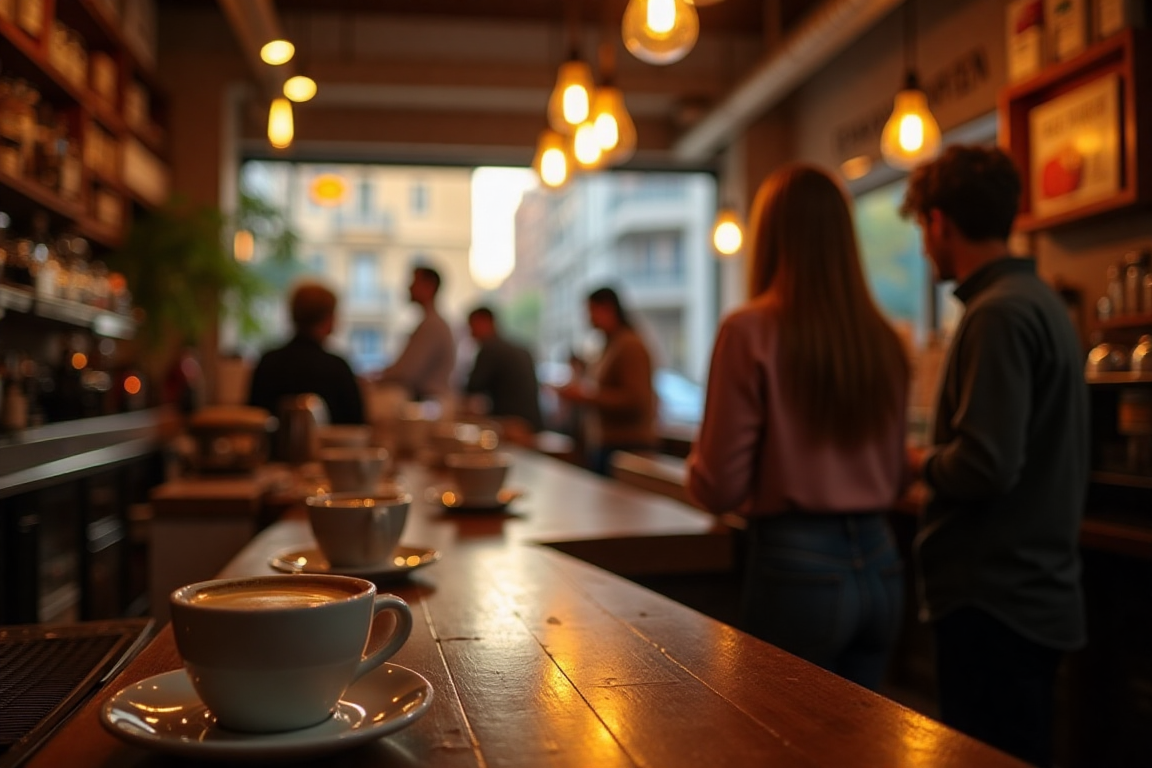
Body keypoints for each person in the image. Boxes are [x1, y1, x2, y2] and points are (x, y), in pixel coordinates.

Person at [685, 164, 909, 692]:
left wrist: (697, 465)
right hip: (883, 564)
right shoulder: (885, 339)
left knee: (783, 746)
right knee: (864, 746)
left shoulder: (749, 330)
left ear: (770, 237)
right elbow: (898, 474)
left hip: (797, 570)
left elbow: (719, 487)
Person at [900, 145, 1088, 768]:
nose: (925, 245)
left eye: (923, 227)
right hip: (1029, 595)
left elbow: (985, 466)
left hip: (995, 602)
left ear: (939, 222)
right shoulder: (1036, 302)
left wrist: (915, 461)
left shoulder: (997, 314)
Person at [556, 287, 657, 475]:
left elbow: (637, 400)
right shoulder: (612, 344)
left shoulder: (629, 345)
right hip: (610, 443)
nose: (588, 318)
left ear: (607, 308)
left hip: (626, 446)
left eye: (591, 311)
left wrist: (585, 396)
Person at [247, 281, 364, 424]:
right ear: (328, 319)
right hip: (326, 447)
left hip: (277, 447)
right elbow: (356, 425)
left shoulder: (268, 362)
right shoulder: (337, 368)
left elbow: (253, 419)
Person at [377, 266, 455, 402]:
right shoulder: (432, 323)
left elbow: (406, 372)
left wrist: (376, 378)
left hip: (427, 403)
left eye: (414, 282)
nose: (409, 287)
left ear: (429, 286)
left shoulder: (432, 325)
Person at [463, 306, 544, 433]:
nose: (471, 334)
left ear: (484, 322)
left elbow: (472, 386)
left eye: (472, 326)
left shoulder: (490, 348)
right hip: (534, 422)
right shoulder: (520, 348)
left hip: (514, 425)